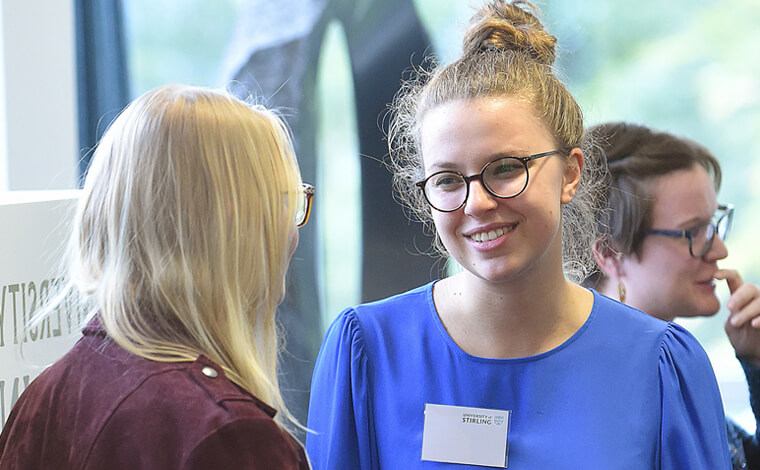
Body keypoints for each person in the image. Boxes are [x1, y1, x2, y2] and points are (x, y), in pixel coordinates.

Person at [305, 1, 731, 468]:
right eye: (448, 180)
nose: (477, 203)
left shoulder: (660, 366)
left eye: (506, 169)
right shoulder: (368, 351)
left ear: (570, 173)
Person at [0, 84, 313, 469]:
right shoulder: (228, 436)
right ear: (232, 219)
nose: (293, 231)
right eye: (284, 202)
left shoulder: (43, 400)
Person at [583, 121, 760, 469]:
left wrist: (756, 362)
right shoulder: (598, 389)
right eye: (692, 232)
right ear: (610, 253)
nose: (719, 249)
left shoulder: (672, 363)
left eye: (714, 223)